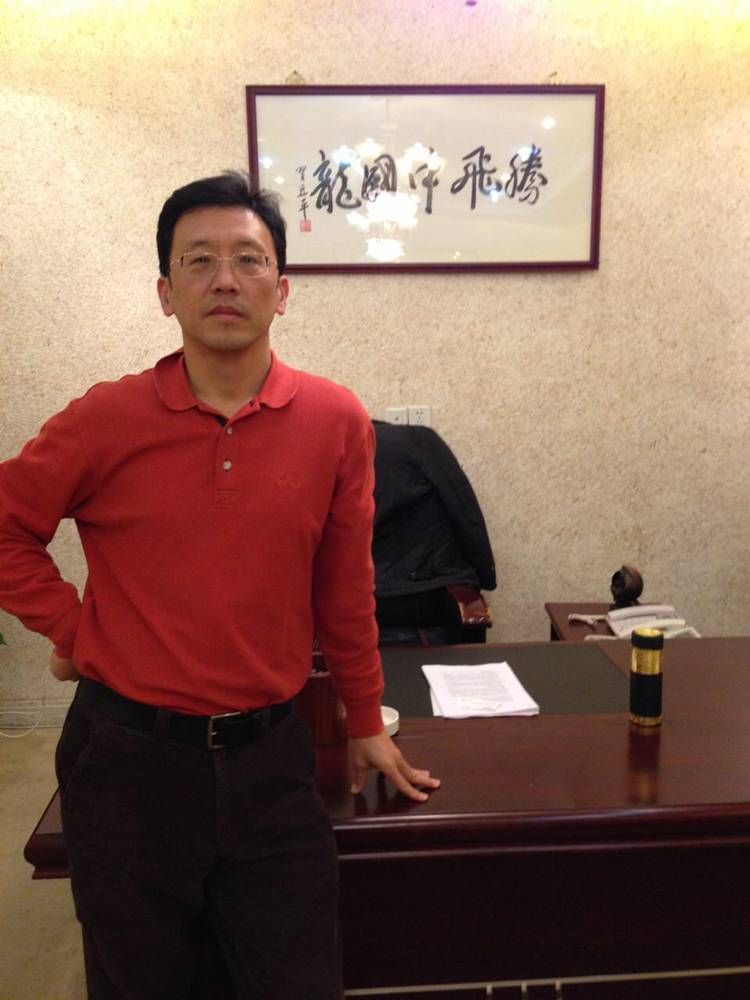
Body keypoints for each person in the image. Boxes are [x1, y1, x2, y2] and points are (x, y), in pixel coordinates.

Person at [0, 171, 439, 1000]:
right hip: (125, 762)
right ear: (166, 293)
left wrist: (364, 717)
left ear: (283, 289)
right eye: (198, 261)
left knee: (299, 978)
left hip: (271, 755)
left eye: (248, 259)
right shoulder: (105, 420)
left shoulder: (335, 421)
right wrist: (76, 628)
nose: (225, 280)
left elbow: (345, 587)